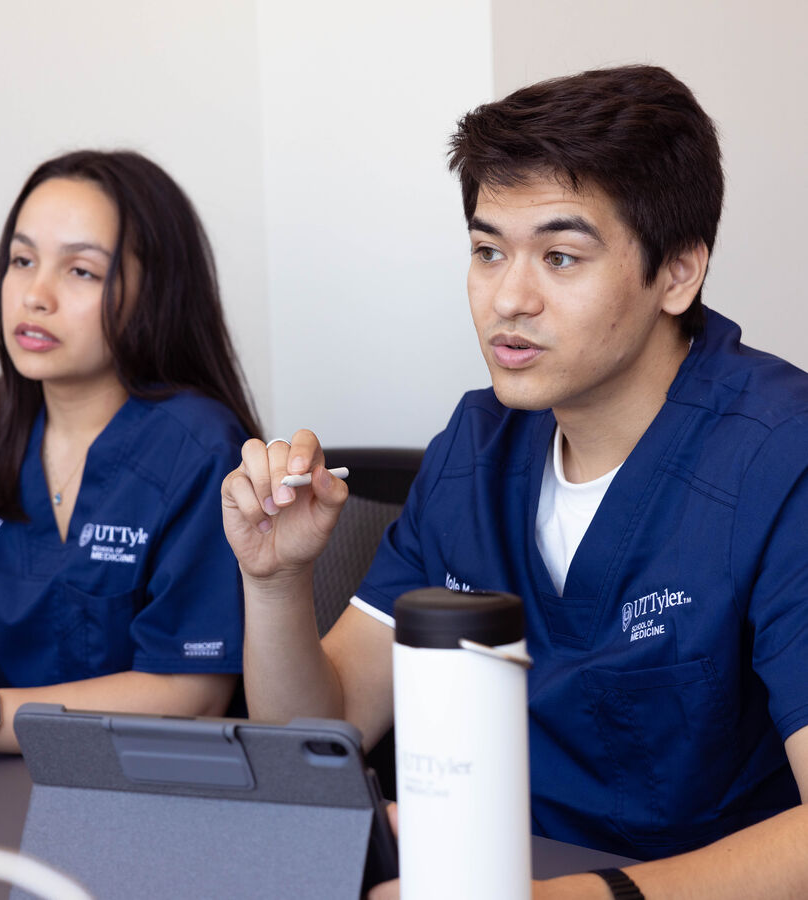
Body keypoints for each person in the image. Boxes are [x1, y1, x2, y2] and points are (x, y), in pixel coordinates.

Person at [221, 65, 808, 898]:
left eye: (561, 258)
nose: (508, 298)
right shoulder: (478, 445)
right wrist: (277, 581)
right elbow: (323, 735)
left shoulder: (782, 456)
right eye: (488, 251)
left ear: (678, 273)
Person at [0, 150, 261, 754]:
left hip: (151, 788)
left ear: (154, 293)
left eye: (81, 272)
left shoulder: (199, 447)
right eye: (22, 260)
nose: (34, 295)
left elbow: (191, 695)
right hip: (3, 779)